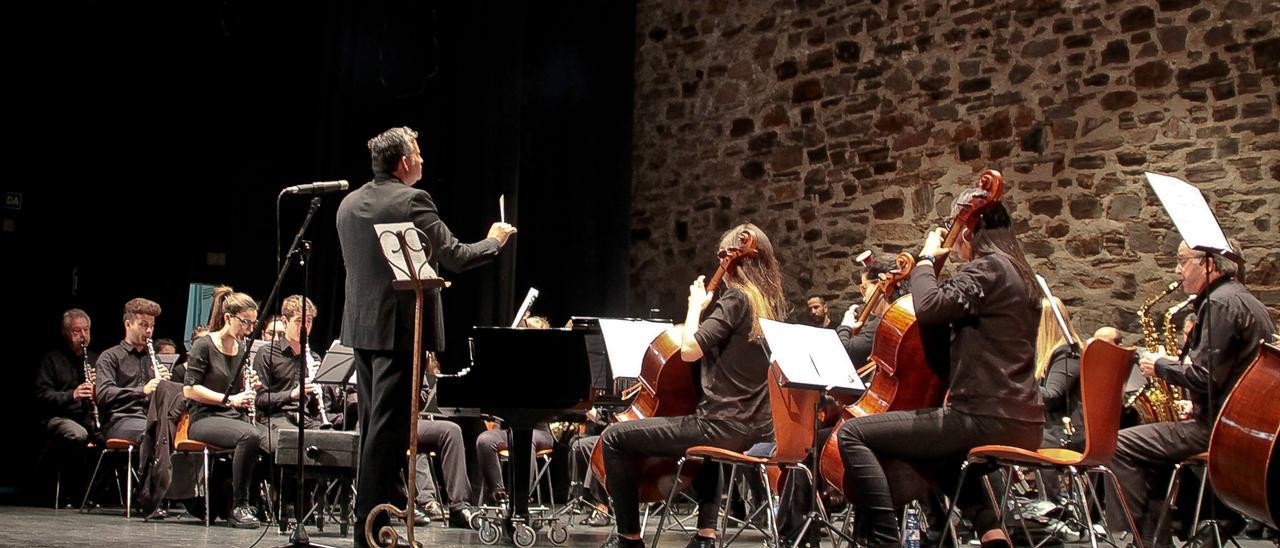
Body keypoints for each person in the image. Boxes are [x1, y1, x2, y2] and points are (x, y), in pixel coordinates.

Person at [337, 126, 516, 544]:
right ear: (403, 162)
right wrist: (494, 241)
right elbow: (455, 256)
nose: (422, 160)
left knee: (374, 428)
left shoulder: (348, 204)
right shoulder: (412, 200)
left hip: (361, 329)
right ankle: (371, 522)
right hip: (401, 330)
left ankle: (374, 518)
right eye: (417, 153)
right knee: (390, 430)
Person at [836, 193, 1043, 548]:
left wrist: (926, 259)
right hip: (1024, 420)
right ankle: (993, 536)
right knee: (939, 457)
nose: (951, 233)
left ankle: (885, 541)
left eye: (954, 226)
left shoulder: (989, 267)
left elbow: (930, 306)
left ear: (968, 228)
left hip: (984, 416)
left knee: (853, 433)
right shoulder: (1020, 273)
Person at [600, 222, 786, 548]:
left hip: (722, 427)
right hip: (757, 429)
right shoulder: (768, 305)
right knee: (709, 448)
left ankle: (629, 539)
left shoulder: (737, 300)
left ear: (734, 260)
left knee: (614, 437)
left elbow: (689, 350)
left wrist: (694, 307)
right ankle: (705, 536)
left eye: (722, 257)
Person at [1104, 240, 1274, 544]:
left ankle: (1136, 539)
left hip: (1216, 429)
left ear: (1208, 263)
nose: (1177, 269)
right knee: (1147, 451)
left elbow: (1205, 377)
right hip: (1232, 422)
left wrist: (1160, 366)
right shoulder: (1246, 300)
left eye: (1183, 261)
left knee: (1117, 445)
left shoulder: (1220, 303)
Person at [182, 286, 264, 529]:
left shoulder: (242, 350)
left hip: (231, 416)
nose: (250, 329)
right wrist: (229, 400)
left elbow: (237, 390)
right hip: (203, 418)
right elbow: (189, 389)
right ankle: (239, 505)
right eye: (245, 322)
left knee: (270, 439)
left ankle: (251, 504)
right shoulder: (204, 345)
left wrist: (250, 387)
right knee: (249, 435)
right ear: (228, 318)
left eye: (253, 323)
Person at [95, 298, 167, 444]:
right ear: (128, 324)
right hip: (119, 420)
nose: (149, 331)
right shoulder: (109, 357)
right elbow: (103, 394)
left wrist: (165, 386)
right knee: (154, 433)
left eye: (152, 326)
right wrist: (143, 390)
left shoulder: (153, 359)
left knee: (175, 431)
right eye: (143, 325)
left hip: (149, 418)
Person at [37, 309, 100, 446]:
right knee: (78, 434)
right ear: (66, 333)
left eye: (86, 330)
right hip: (59, 416)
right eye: (76, 331)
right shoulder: (52, 359)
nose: (83, 336)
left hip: (87, 417)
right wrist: (73, 395)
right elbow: (42, 395)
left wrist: (98, 389)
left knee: (115, 432)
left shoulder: (96, 359)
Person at [837, 253, 902, 370]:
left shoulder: (886, 323)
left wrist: (845, 326)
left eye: (865, 288)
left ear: (881, 283)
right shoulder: (908, 310)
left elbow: (843, 354)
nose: (864, 298)